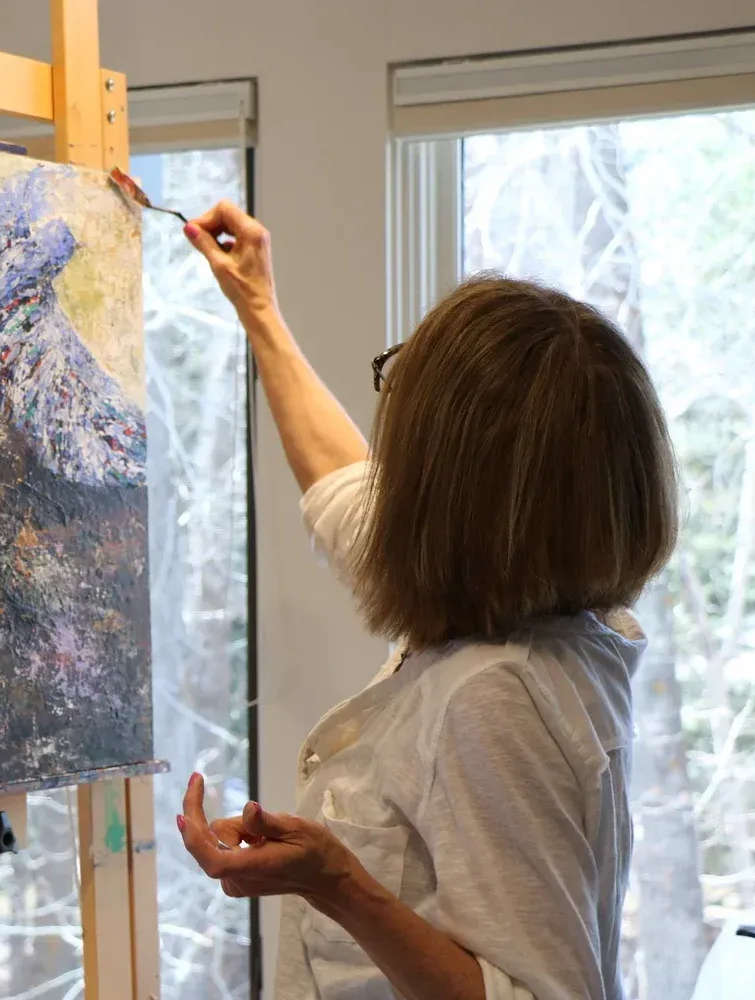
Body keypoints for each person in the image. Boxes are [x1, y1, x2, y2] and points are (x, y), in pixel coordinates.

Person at [176, 203, 678, 1000]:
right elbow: (342, 487)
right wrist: (260, 310)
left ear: (453, 484)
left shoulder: (495, 698)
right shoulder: (536, 607)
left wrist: (339, 883)